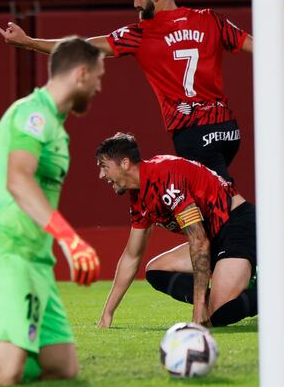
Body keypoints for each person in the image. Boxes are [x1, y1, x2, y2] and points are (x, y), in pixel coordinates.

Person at [0, 0, 281, 183]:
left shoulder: (140, 34)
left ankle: (257, 251)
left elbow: (81, 48)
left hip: (193, 133)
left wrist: (29, 43)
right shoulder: (211, 20)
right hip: (228, 130)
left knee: (221, 204)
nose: (135, 4)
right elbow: (259, 48)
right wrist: (283, 79)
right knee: (204, 204)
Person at [0, 36, 104, 387]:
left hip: (37, 261)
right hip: (8, 254)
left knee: (61, 366)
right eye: (99, 77)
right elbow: (18, 180)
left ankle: (3, 351)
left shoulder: (55, 126)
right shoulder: (33, 114)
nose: (100, 87)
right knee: (6, 372)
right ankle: (1, 357)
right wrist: (71, 241)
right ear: (81, 74)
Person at [95, 132, 258, 328]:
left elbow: (198, 241)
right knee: (155, 271)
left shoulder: (165, 177)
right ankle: (243, 284)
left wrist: (198, 307)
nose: (101, 175)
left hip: (237, 225)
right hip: (213, 235)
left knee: (218, 315)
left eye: (104, 167)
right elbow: (132, 256)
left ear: (124, 163)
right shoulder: (139, 198)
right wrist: (107, 314)